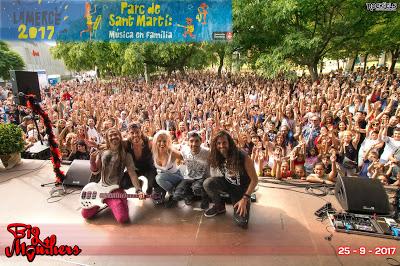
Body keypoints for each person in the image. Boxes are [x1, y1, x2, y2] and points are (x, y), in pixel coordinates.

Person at [82, 128, 145, 223]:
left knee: (122, 218)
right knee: (85, 214)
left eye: (115, 134)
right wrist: (92, 160)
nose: (113, 137)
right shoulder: (102, 151)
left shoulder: (126, 155)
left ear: (120, 136)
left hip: (114, 190)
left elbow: (132, 173)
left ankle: (121, 197)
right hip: (100, 189)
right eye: (110, 135)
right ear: (107, 138)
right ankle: (108, 201)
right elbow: (95, 171)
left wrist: (139, 190)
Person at [203, 131, 258, 228]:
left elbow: (254, 180)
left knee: (241, 222)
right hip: (227, 184)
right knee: (208, 183)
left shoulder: (242, 156)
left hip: (241, 190)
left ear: (229, 143)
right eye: (218, 143)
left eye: (224, 143)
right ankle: (219, 206)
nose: (221, 146)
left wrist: (245, 198)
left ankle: (243, 202)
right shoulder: (217, 155)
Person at [121, 122, 163, 204]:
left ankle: (150, 187)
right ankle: (139, 183)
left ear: (141, 131)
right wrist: (138, 190)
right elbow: (109, 145)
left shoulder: (149, 141)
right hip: (135, 169)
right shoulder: (125, 143)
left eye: (137, 132)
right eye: (132, 133)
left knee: (153, 183)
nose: (135, 135)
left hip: (148, 168)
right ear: (128, 133)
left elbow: (162, 146)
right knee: (124, 183)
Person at [173, 131, 210, 209]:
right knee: (177, 195)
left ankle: (205, 199)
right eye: (191, 141)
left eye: (197, 141)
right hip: (188, 178)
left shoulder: (207, 152)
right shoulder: (184, 150)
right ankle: (189, 195)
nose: (194, 144)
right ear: (188, 142)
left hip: (202, 178)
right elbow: (172, 149)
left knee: (197, 188)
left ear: (201, 141)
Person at [152, 130, 184, 207]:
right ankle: (171, 192)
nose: (162, 143)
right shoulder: (154, 151)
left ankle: (173, 193)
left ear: (168, 141)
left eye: (164, 141)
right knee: (158, 200)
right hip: (165, 179)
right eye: (159, 141)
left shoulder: (171, 152)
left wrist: (180, 163)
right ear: (155, 141)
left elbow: (183, 157)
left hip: (176, 177)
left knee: (158, 178)